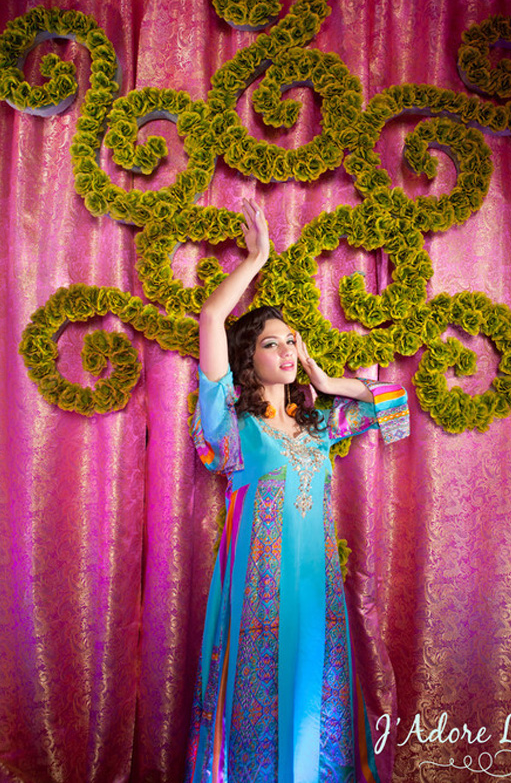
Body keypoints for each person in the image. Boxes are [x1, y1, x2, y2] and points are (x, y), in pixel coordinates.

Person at [184, 198, 410, 783]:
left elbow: (393, 405)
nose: (286, 350)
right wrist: (255, 259)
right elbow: (211, 318)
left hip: (316, 589)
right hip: (256, 591)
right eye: (270, 343)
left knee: (315, 705)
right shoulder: (230, 424)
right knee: (255, 705)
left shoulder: (319, 426)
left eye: (291, 341)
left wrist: (327, 380)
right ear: (247, 358)